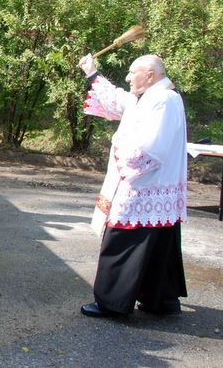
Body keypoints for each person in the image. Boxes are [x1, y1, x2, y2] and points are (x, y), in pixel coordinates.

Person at [77, 53, 188, 318]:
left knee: (123, 240)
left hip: (142, 187)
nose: (127, 78)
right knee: (159, 244)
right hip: (155, 190)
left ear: (149, 75)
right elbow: (116, 99)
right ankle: (161, 300)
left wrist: (120, 148)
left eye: (131, 72)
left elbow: (150, 148)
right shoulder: (150, 97)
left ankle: (112, 303)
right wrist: (92, 72)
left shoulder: (163, 100)